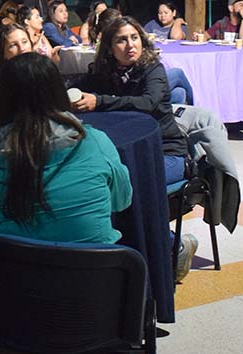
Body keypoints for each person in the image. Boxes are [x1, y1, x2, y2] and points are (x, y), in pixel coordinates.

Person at [0, 53, 131, 354]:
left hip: (11, 308)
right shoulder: (95, 142)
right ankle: (116, 347)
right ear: (59, 91)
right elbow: (122, 201)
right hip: (97, 304)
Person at [72, 16, 198, 280]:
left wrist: (100, 101)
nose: (130, 45)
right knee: (100, 182)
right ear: (109, 48)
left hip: (169, 154)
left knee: (127, 186)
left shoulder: (153, 70)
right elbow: (78, 85)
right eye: (121, 40)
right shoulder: (106, 74)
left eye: (134, 38)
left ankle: (174, 246)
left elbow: (147, 103)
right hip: (125, 156)